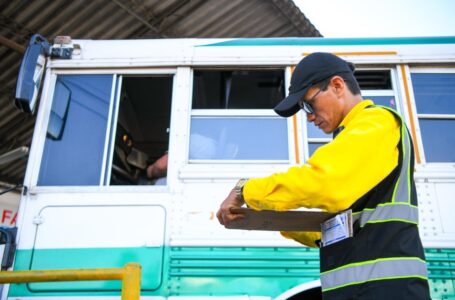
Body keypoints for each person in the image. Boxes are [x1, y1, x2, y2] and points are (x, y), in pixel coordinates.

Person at [217, 52, 430, 299]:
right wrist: (271, 220)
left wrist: (245, 190)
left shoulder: (377, 122)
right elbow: (343, 229)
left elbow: (324, 182)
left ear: (337, 85)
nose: (308, 116)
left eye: (308, 104)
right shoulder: (356, 143)